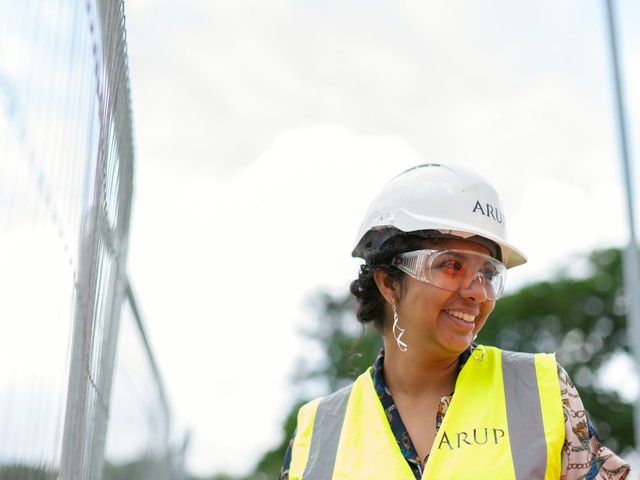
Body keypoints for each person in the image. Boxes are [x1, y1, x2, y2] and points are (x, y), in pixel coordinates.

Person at [280, 164, 631, 479]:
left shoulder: (542, 392)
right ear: (388, 282)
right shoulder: (317, 435)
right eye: (451, 266)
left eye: (489, 273)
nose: (478, 292)